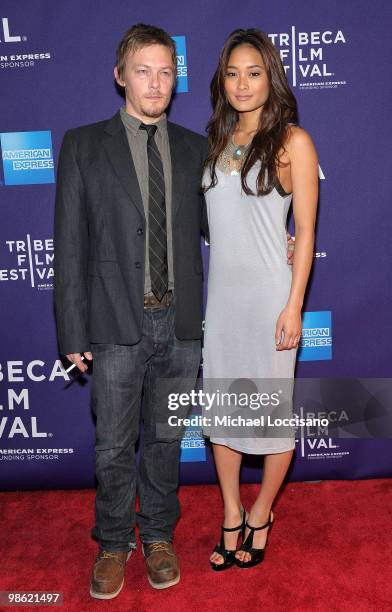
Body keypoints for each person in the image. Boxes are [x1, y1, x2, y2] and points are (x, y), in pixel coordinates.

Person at [53, 23, 209, 598]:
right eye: (143, 70)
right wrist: (72, 327)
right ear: (121, 76)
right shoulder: (82, 144)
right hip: (115, 320)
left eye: (166, 71)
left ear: (176, 79)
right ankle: (115, 543)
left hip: (182, 320)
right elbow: (68, 245)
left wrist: (279, 238)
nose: (156, 82)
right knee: (114, 446)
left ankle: (159, 536)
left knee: (166, 440)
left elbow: (224, 228)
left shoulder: (197, 149)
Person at [202, 29, 318, 570]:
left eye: (253, 72)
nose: (242, 84)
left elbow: (307, 234)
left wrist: (294, 304)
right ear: (221, 80)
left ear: (271, 76)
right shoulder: (213, 142)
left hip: (271, 300)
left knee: (272, 417)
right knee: (223, 411)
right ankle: (230, 509)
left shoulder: (293, 140)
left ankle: (262, 512)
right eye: (232, 73)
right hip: (221, 303)